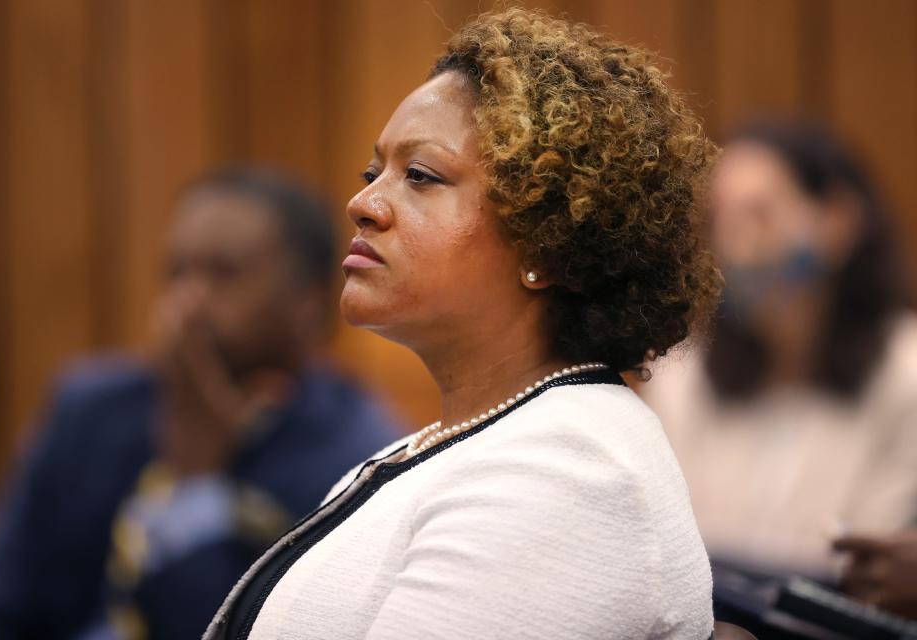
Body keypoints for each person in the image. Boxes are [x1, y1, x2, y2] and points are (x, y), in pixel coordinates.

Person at [203, 9, 722, 640]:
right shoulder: (457, 443)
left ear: (547, 241)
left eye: (420, 176)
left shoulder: (568, 474)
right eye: (374, 175)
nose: (363, 204)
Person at [0, 168, 401, 640]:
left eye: (223, 274)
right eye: (177, 272)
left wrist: (194, 479)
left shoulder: (358, 458)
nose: (186, 302)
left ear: (308, 304)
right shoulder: (92, 410)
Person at [643, 120, 917, 581]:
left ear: (838, 222)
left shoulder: (907, 370)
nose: (736, 246)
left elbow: (868, 566)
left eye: (760, 215)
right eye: (721, 220)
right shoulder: (679, 373)